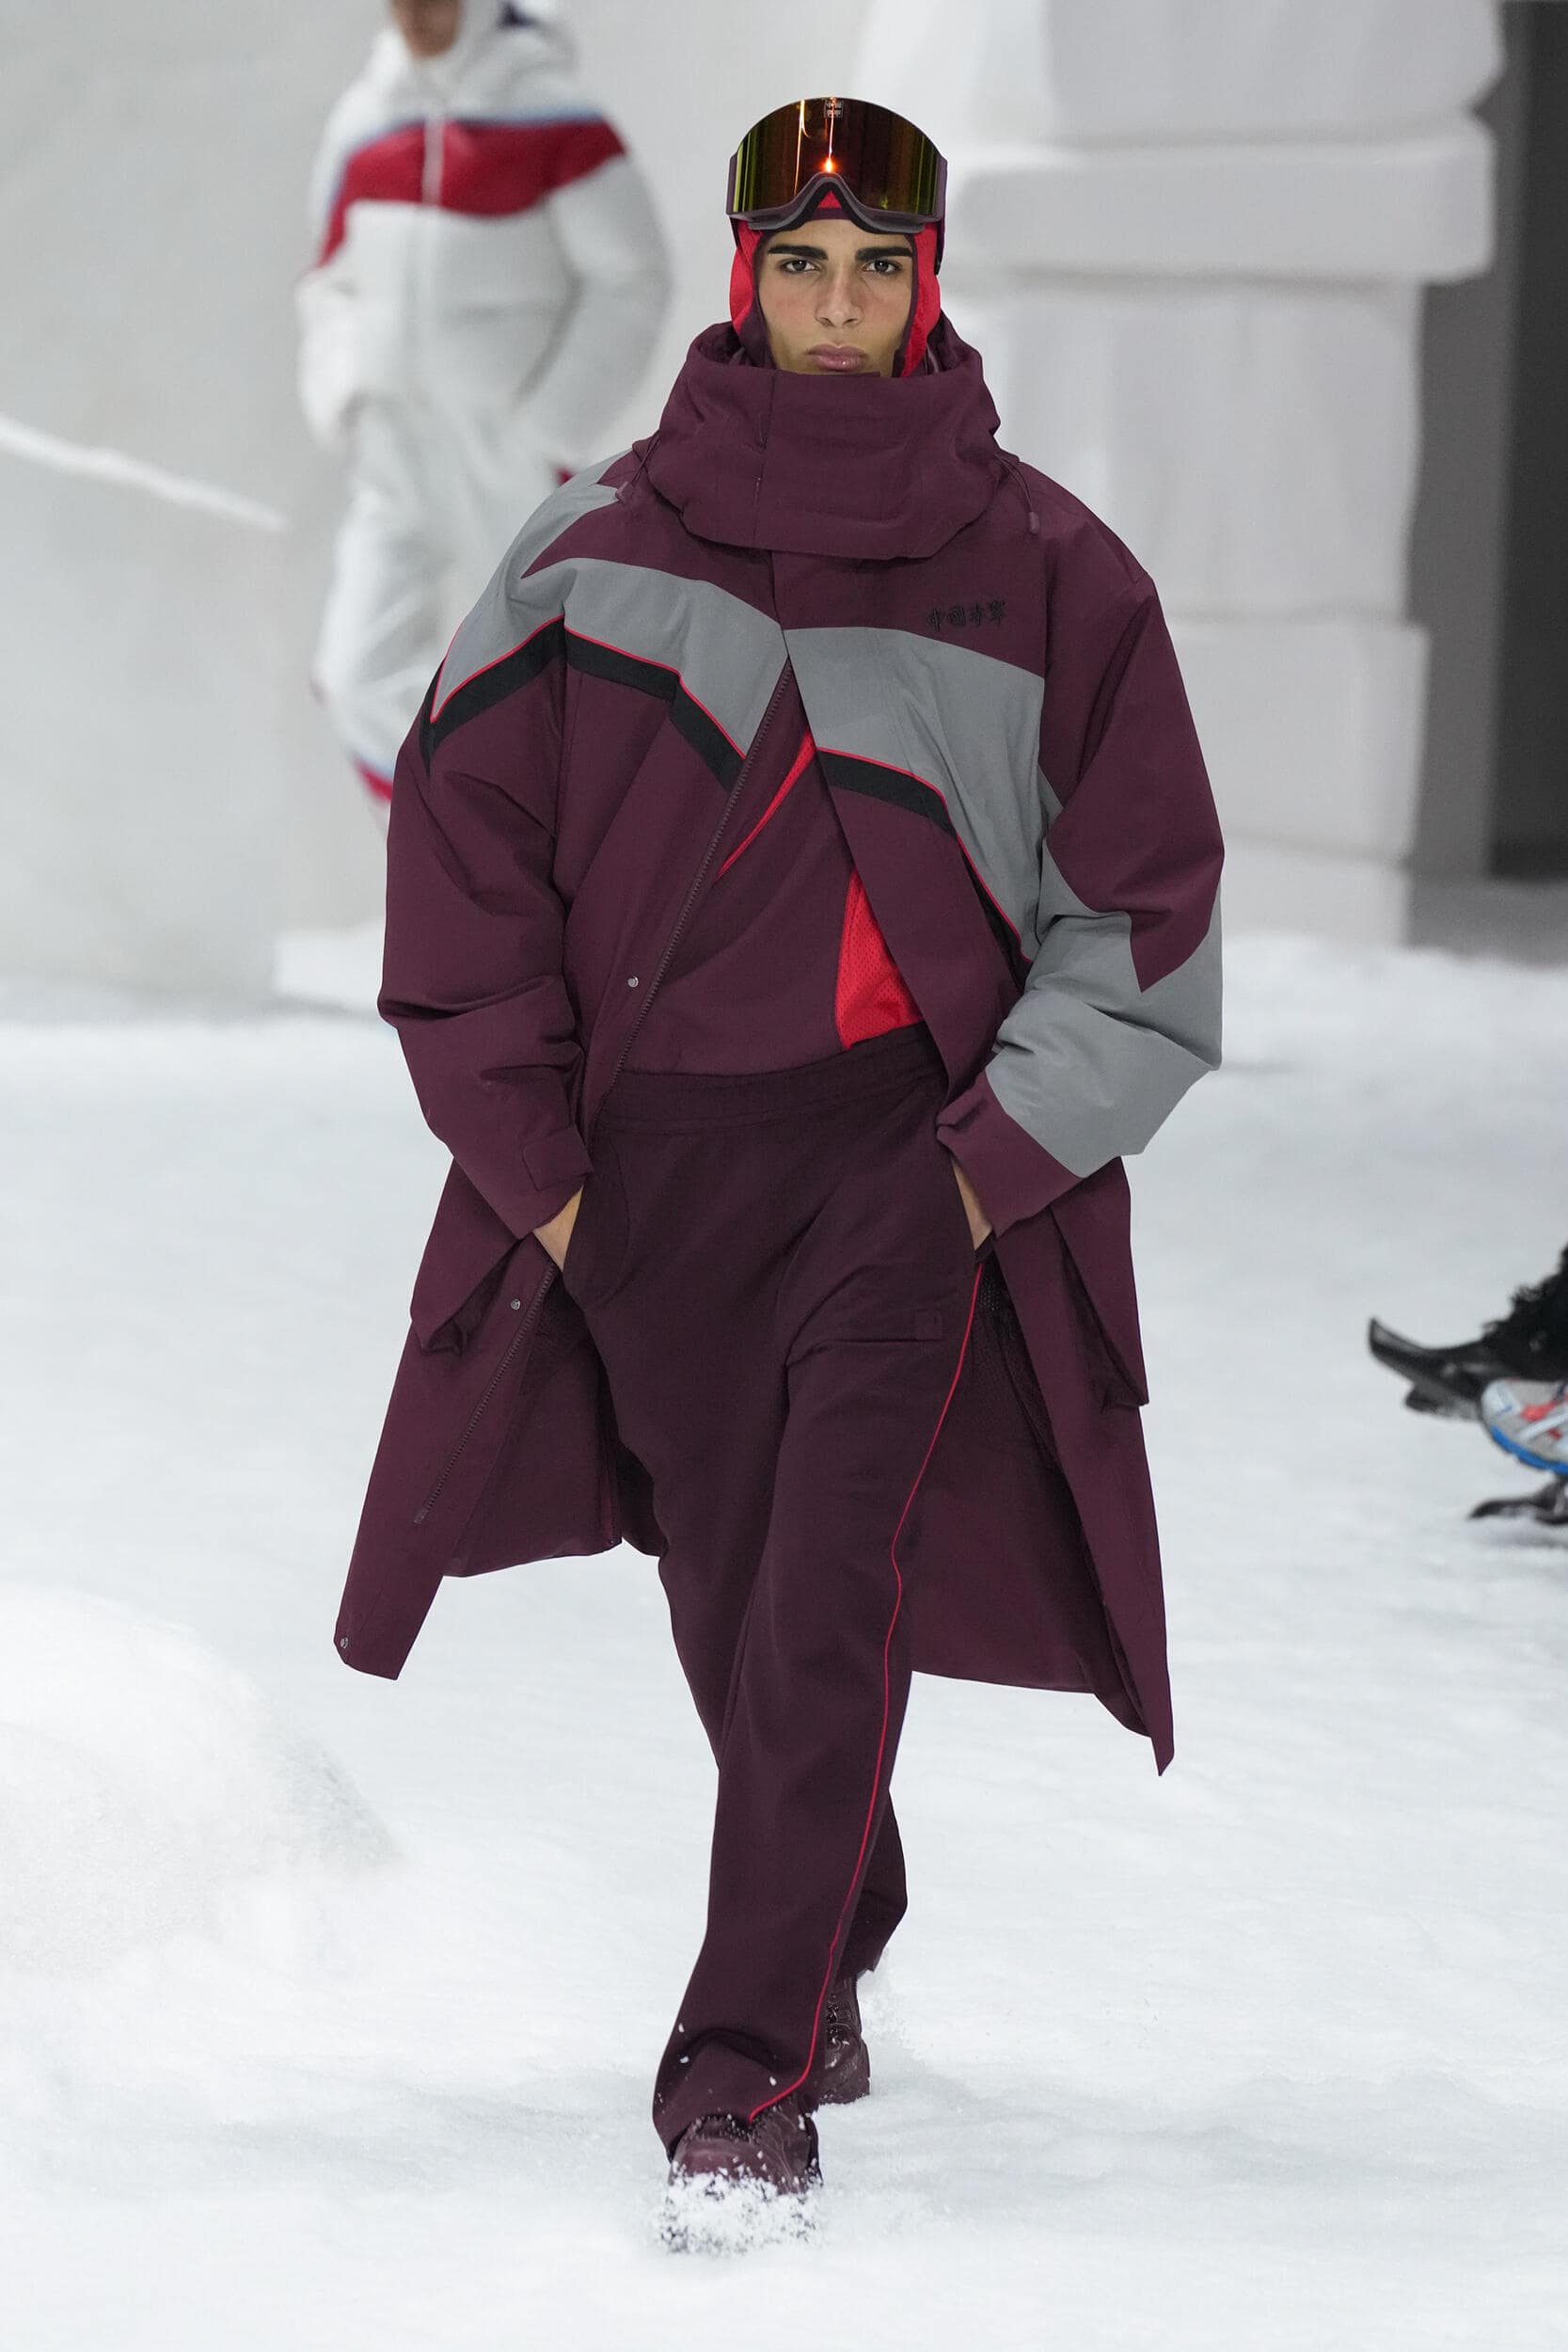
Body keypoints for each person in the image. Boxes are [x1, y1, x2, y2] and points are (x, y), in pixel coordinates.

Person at [333, 94, 1224, 2238]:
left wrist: (978, 1168)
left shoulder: (1052, 574)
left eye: (876, 270)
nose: (837, 309)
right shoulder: (589, 553)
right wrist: (549, 1174)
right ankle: (841, 1910)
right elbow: (463, 863)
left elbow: (1140, 915)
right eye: (801, 268)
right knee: (740, 1600)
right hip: (646, 1176)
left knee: (823, 1594)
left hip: (903, 1168)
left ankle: (738, 2083)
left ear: (928, 282)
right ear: (746, 277)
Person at [297, 0, 670, 808]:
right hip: (395, 452)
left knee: (558, 689)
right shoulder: (365, 118)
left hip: (507, 454)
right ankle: (459, 850)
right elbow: (330, 277)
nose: (414, 12)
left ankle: (577, 865)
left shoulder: (551, 114)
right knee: (355, 674)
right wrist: (346, 395)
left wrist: (548, 425)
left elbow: (632, 278)